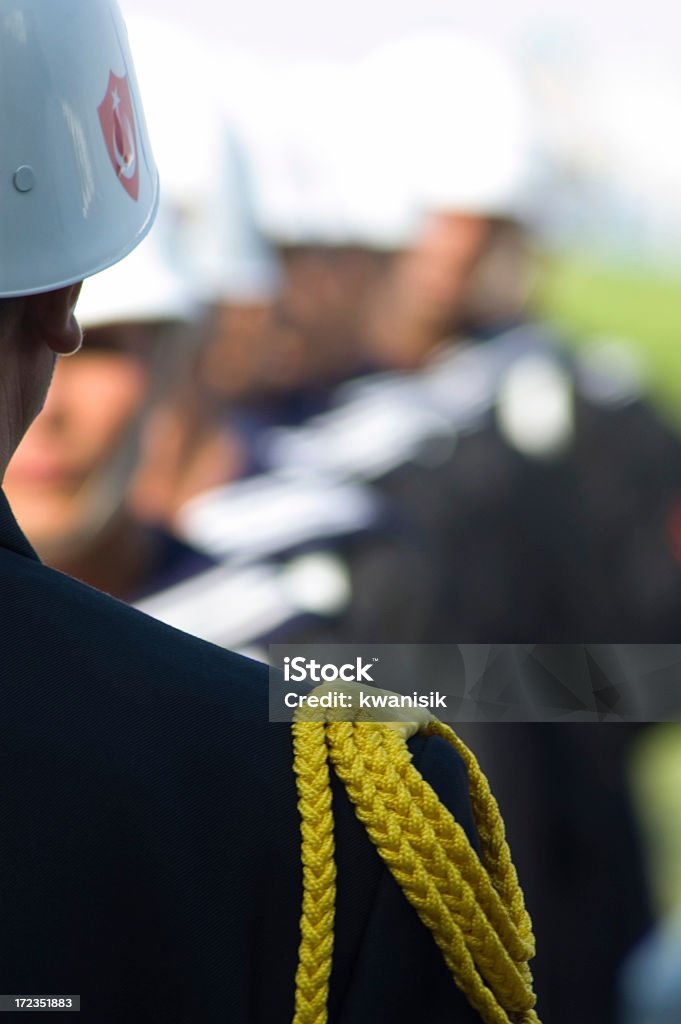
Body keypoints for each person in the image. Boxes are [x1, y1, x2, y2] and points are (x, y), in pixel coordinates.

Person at [0, 4, 538, 1022]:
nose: (71, 410)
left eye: (126, 348)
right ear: (56, 301)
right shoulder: (315, 778)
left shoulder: (354, 578)